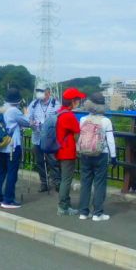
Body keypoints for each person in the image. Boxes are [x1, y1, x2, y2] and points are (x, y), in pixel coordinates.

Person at [77, 92, 117, 221]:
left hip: (85, 154)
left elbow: (80, 137)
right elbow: (110, 140)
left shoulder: (83, 120)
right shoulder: (106, 121)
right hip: (101, 154)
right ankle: (97, 213)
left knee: (85, 183)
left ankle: (83, 212)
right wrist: (114, 157)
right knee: (99, 183)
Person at [0, 88, 29, 209]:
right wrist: (26, 112)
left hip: (1, 146)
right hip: (12, 146)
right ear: (17, 100)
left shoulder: (2, 108)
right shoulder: (14, 111)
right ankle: (8, 200)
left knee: (1, 171)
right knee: (12, 173)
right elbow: (27, 122)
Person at [56, 87, 86, 216]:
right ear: (73, 101)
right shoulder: (68, 115)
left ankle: (65, 204)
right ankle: (63, 207)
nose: (79, 102)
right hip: (67, 151)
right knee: (66, 180)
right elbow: (79, 131)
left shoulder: (60, 112)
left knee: (64, 178)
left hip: (59, 149)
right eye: (78, 100)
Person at [28, 84, 61, 193]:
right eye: (38, 91)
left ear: (48, 92)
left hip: (50, 138)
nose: (39, 93)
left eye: (41, 91)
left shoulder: (55, 104)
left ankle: (57, 182)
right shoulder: (34, 104)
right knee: (39, 161)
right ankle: (44, 183)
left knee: (53, 161)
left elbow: (59, 119)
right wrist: (31, 122)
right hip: (37, 137)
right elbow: (28, 117)